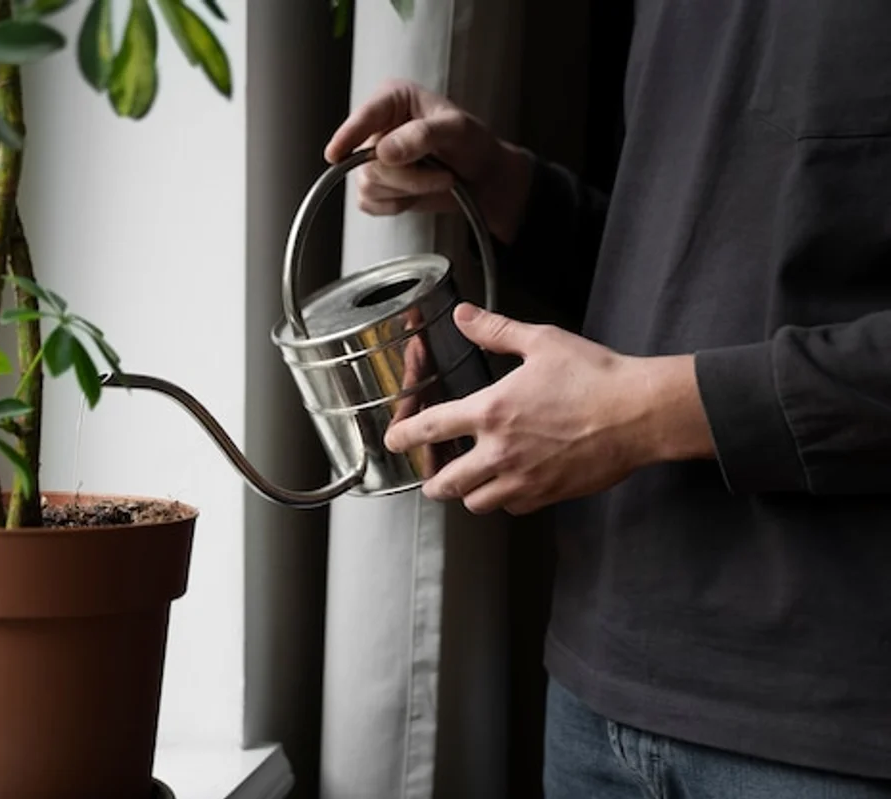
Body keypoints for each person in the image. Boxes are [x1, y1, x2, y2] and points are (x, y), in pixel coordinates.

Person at [324, 4, 891, 797]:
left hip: (833, 727)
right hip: (600, 697)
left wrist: (637, 412)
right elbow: (696, 268)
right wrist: (505, 184)